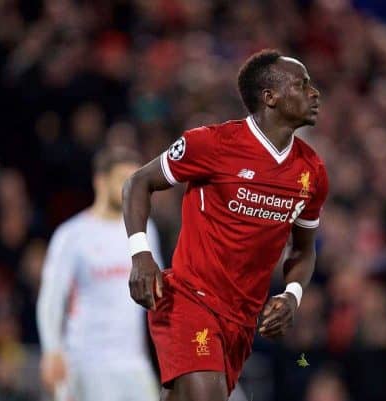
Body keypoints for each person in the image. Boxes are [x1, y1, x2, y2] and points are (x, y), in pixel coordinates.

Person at [122, 49, 328, 401]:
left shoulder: (312, 172)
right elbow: (138, 183)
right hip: (189, 298)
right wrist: (141, 254)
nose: (314, 92)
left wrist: (292, 295)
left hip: (242, 320)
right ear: (270, 96)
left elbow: (303, 249)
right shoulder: (211, 144)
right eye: (302, 84)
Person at [37, 147, 162, 401]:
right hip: (84, 363)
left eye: (135, 181)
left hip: (133, 362)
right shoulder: (72, 235)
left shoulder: (145, 231)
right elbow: (51, 298)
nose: (131, 189)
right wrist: (52, 350)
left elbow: (159, 296)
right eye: (123, 180)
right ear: (100, 181)